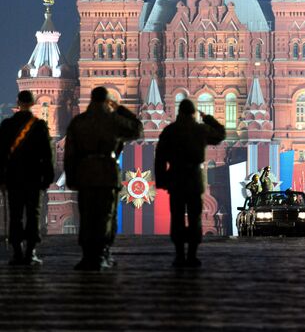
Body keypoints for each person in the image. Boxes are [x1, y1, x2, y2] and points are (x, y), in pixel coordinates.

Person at [64, 86, 143, 271]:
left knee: (87, 216)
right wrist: (120, 108)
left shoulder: (78, 122)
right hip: (107, 174)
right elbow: (137, 130)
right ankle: (102, 254)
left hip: (84, 175)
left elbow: (70, 154)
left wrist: (71, 177)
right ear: (107, 101)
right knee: (106, 215)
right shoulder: (113, 120)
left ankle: (87, 256)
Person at [155, 99, 225, 267]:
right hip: (194, 180)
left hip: (176, 179)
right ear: (193, 113)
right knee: (195, 218)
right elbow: (220, 134)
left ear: (179, 112)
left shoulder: (170, 130)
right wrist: (207, 118)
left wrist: (162, 180)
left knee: (177, 217)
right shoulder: (199, 129)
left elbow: (160, 158)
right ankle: (192, 256)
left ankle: (179, 256)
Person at [0, 90, 54, 265]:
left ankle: (17, 253)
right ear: (32, 104)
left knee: (15, 214)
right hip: (33, 177)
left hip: (13, 177)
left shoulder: (7, 125)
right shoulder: (39, 126)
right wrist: (47, 177)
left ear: (18, 102)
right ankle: (30, 253)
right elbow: (47, 154)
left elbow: (0, 154)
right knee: (33, 214)